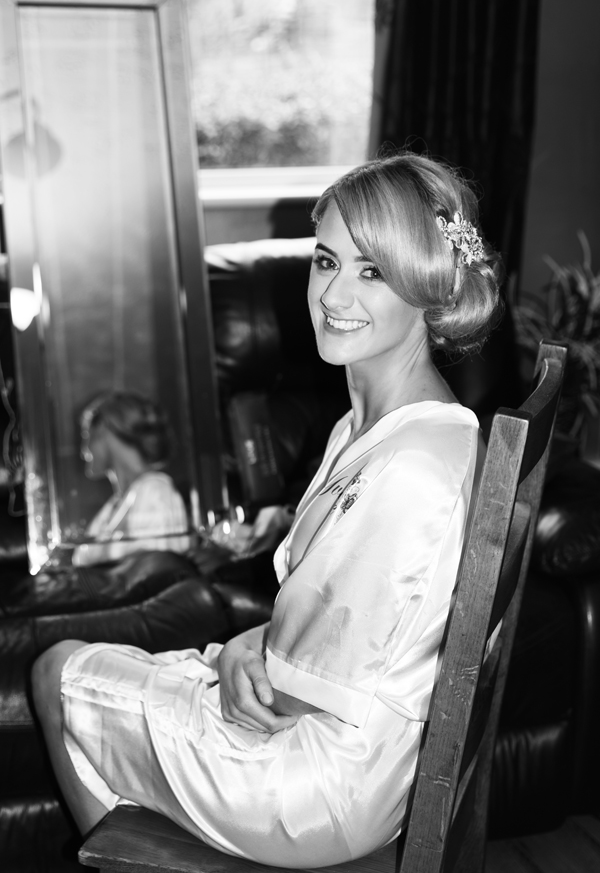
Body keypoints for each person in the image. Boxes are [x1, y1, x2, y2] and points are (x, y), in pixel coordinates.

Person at [32, 152, 501, 867]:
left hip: (321, 781)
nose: (333, 294)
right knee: (115, 671)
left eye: (372, 271)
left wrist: (243, 664)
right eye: (326, 261)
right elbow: (360, 630)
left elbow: (313, 693)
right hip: (344, 747)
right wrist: (249, 646)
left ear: (425, 285)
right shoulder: (376, 428)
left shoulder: (411, 466)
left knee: (56, 673)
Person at [71, 391, 191, 566]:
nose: (84, 451)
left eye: (86, 436)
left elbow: (156, 569)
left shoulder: (155, 490)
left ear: (103, 428)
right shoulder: (113, 506)